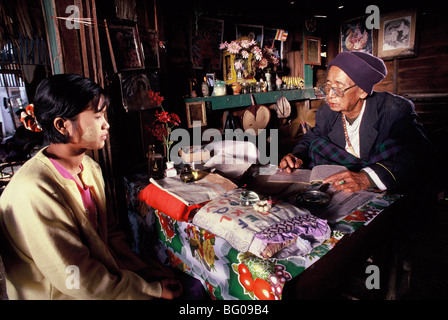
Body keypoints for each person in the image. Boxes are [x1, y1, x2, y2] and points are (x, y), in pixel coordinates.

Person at [0, 74, 182, 299]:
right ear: (62, 125)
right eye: (97, 116)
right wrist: (150, 289)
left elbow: (111, 234)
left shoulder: (89, 167)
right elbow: (77, 278)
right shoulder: (34, 191)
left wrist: (145, 269)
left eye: (104, 114)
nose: (106, 124)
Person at [280, 51, 431, 193]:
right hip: (344, 185)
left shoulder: (393, 109)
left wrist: (367, 178)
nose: (330, 96)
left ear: (362, 91)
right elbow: (311, 138)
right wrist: (297, 156)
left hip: (383, 182)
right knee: (317, 145)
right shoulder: (326, 112)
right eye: (327, 87)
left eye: (338, 88)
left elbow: (421, 151)